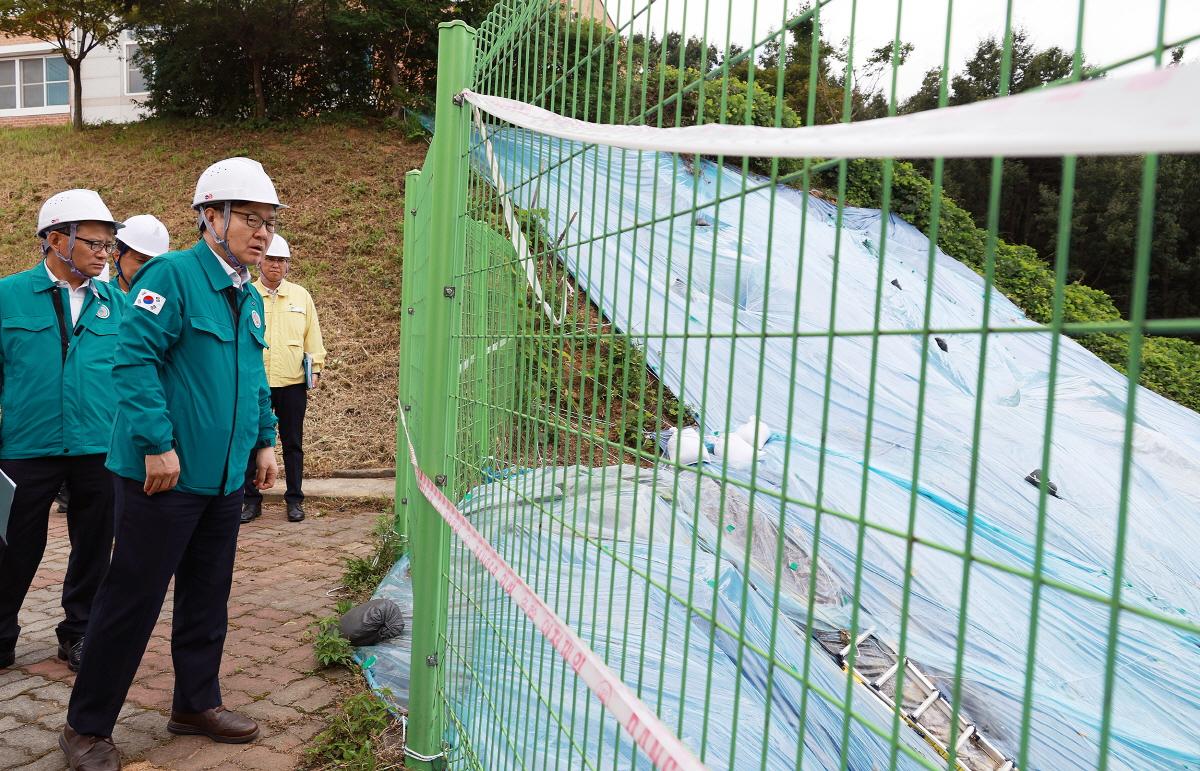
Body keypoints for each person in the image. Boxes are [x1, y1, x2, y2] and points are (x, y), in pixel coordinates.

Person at [61, 158, 280, 770]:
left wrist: (264, 440)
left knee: (208, 594)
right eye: (250, 220)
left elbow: (253, 375)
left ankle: (194, 703)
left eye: (269, 223)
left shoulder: (248, 295)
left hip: (222, 477)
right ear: (211, 217)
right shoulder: (173, 277)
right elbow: (132, 360)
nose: (262, 234)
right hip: (164, 475)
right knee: (132, 597)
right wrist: (157, 442)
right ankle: (86, 726)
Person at [0, 190, 125, 674]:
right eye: (94, 243)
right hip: (25, 446)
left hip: (98, 446)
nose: (103, 253)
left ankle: (79, 633)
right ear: (55, 240)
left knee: (94, 547)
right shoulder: (8, 296)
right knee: (9, 543)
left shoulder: (118, 304)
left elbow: (134, 375)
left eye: (109, 245)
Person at [241, 234, 325, 524]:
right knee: (252, 442)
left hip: (291, 382)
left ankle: (294, 500)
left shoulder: (301, 296)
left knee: (293, 443)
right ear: (260, 261)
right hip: (256, 383)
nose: (275, 265)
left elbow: (312, 337)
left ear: (288, 265)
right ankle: (251, 501)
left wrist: (315, 369)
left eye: (281, 260)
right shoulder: (247, 294)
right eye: (270, 259)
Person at [113, 214, 171, 293]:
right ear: (117, 255)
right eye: (141, 261)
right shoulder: (101, 299)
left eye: (156, 263)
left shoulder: (171, 298)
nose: (149, 268)